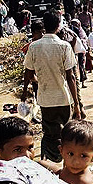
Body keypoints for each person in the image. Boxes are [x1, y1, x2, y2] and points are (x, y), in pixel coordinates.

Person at [22, 10, 83, 161]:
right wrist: (76, 104)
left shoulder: (34, 47)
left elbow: (28, 73)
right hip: (63, 98)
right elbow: (71, 78)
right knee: (65, 134)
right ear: (58, 26)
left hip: (46, 99)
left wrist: (24, 93)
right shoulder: (64, 46)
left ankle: (49, 161)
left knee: (49, 133)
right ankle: (65, 164)